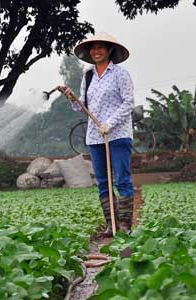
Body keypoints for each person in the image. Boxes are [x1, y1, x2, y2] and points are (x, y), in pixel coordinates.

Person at [58, 32, 134, 235]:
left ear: (109, 50)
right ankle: (112, 225)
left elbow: (128, 103)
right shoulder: (88, 76)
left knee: (122, 178)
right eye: (93, 48)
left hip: (118, 134)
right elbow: (81, 107)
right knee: (103, 182)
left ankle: (125, 226)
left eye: (100, 47)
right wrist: (72, 97)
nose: (96, 51)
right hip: (94, 136)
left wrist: (110, 123)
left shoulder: (120, 74)